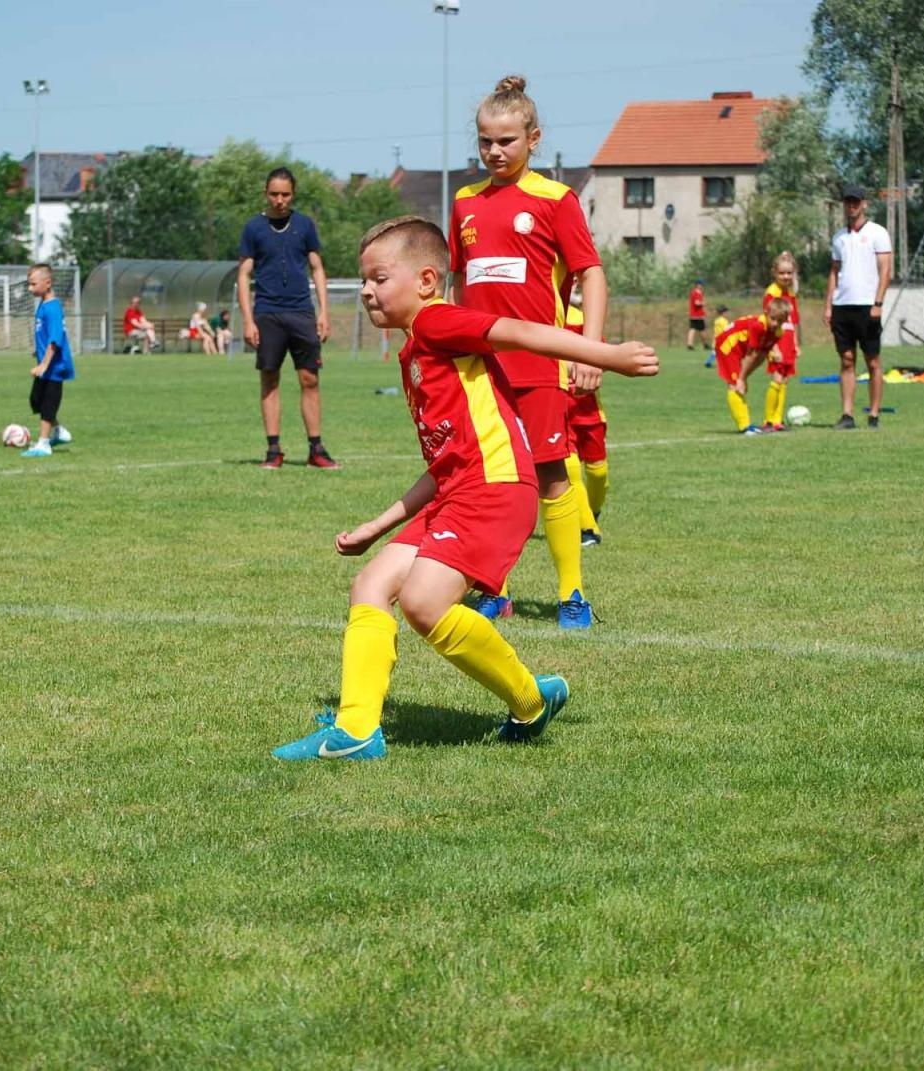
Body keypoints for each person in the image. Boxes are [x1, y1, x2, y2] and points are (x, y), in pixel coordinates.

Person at [272, 216, 658, 762]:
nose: (365, 291)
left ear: (426, 281)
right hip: (460, 491)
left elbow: (519, 331)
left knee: (423, 603)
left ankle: (526, 699)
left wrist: (603, 354)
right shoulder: (414, 351)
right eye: (362, 280)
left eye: (379, 278)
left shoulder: (436, 321)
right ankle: (358, 729)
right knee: (371, 584)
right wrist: (377, 526)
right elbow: (443, 466)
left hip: (494, 490)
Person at [450, 74, 605, 629]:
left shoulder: (555, 199)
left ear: (533, 139)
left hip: (538, 364)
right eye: (485, 141)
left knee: (551, 474)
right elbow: (457, 283)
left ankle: (571, 595)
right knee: (488, 480)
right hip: (479, 368)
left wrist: (589, 350)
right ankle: (495, 590)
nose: (495, 151)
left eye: (507, 141)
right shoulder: (464, 202)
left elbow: (592, 274)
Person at [237, 166, 338, 470]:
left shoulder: (304, 225)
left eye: (285, 194)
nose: (279, 200)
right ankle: (273, 450)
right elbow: (243, 274)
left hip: (301, 312)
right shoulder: (253, 228)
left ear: (293, 194)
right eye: (274, 194)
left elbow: (317, 268)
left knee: (310, 379)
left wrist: (324, 311)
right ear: (265, 194)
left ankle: (316, 449)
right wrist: (248, 320)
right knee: (269, 379)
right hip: (267, 313)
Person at [823, 184, 893, 429]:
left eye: (856, 201)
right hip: (842, 306)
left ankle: (873, 414)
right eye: (848, 201)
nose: (851, 206)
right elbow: (834, 272)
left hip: (867, 306)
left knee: (872, 361)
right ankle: (847, 415)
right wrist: (828, 306)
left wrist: (878, 303)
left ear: (864, 204)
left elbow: (886, 270)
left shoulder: (877, 233)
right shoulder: (838, 237)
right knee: (846, 360)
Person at [563, 295, 608, 548]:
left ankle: (592, 511)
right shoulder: (541, 316)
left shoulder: (583, 319)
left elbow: (603, 357)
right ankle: (587, 528)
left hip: (589, 410)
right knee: (570, 470)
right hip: (556, 407)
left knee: (598, 473)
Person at [714, 295, 792, 435]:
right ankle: (745, 426)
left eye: (780, 321)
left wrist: (744, 377)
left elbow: (762, 355)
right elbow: (752, 355)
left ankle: (752, 424)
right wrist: (741, 378)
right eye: (773, 319)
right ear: (766, 313)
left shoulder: (778, 332)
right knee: (734, 385)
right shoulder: (759, 326)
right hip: (728, 345)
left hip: (741, 349)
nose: (776, 324)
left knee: (740, 381)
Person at [21, 263, 75, 459]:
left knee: (47, 404)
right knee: (36, 401)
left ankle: (44, 444)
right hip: (45, 363)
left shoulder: (52, 308)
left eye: (33, 284)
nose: (30, 288)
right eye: (29, 284)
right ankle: (59, 431)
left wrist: (44, 364)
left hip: (54, 366)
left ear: (48, 283)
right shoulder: (44, 305)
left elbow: (55, 339)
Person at [761, 251, 803, 431]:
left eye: (789, 273)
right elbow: (768, 322)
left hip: (788, 341)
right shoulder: (772, 293)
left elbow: (793, 320)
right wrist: (773, 347)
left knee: (785, 380)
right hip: (777, 341)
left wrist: (796, 344)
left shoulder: (790, 293)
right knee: (777, 379)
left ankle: (778, 420)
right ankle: (768, 420)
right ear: (774, 273)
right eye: (782, 273)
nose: (786, 276)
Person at [688, 279, 708, 349]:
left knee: (692, 329)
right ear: (698, 285)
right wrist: (703, 303)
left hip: (694, 315)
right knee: (702, 330)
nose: (702, 286)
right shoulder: (696, 293)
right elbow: (697, 303)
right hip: (698, 315)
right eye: (701, 284)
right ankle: (705, 344)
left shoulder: (695, 292)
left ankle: (690, 344)